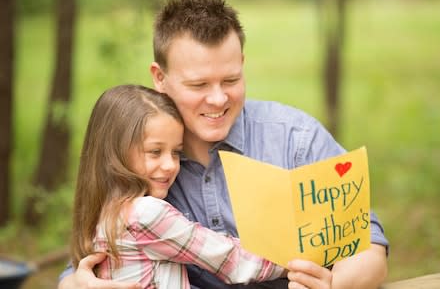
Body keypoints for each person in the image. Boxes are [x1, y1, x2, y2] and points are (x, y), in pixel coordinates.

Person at [59, 0, 388, 288]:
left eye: (230, 79)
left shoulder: (294, 139)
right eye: (199, 85)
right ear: (160, 77)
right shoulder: (139, 157)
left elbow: (367, 246)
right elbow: (87, 262)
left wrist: (335, 284)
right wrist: (79, 285)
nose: (218, 99)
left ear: (243, 64)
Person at [70, 84, 286, 288]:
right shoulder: (145, 214)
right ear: (115, 152)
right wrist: (295, 260)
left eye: (176, 152)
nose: (170, 165)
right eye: (155, 152)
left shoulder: (105, 213)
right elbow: (232, 261)